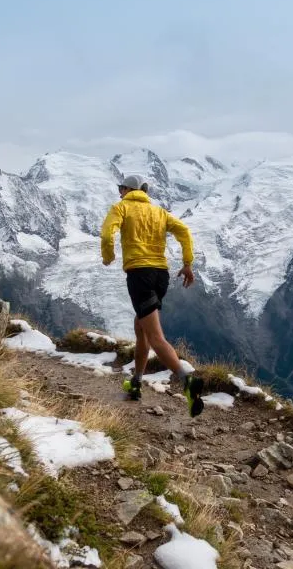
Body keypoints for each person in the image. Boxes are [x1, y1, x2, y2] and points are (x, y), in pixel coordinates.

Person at [100, 174, 205, 417]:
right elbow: (184, 232)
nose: (119, 192)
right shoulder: (159, 212)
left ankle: (188, 381)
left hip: (139, 275)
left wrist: (108, 257)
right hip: (161, 276)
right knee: (141, 328)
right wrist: (187, 263)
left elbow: (107, 235)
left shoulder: (122, 207)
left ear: (127, 189)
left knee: (156, 337)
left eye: (121, 188)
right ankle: (136, 383)